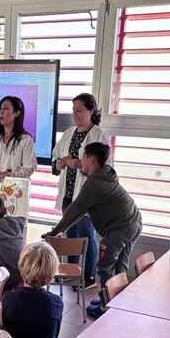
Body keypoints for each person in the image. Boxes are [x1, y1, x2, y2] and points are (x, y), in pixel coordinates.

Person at [43, 142, 141, 318]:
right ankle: (115, 301)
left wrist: (54, 232)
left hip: (120, 228)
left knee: (105, 266)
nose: (81, 161)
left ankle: (106, 306)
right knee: (120, 266)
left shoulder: (94, 184)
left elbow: (73, 211)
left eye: (83, 157)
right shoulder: (106, 175)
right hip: (133, 222)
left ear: (91, 159)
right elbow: (80, 211)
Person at [51, 93, 111, 288]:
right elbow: (56, 156)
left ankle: (89, 276)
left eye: (80, 110)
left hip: (87, 195)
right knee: (71, 234)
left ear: (91, 111)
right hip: (68, 194)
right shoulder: (69, 133)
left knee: (87, 234)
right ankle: (71, 271)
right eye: (73, 110)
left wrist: (79, 164)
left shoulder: (98, 135)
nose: (75, 114)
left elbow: (105, 169)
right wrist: (59, 163)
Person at [2, 242, 63, 338]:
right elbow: (54, 334)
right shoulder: (56, 302)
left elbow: (7, 328)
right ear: (51, 274)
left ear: (21, 267)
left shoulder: (8, 298)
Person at [0, 96, 36, 184]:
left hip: (14, 190)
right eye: (0, 109)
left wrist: (8, 174)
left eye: (5, 108)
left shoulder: (26, 140)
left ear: (16, 113)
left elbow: (29, 168)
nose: (1, 112)